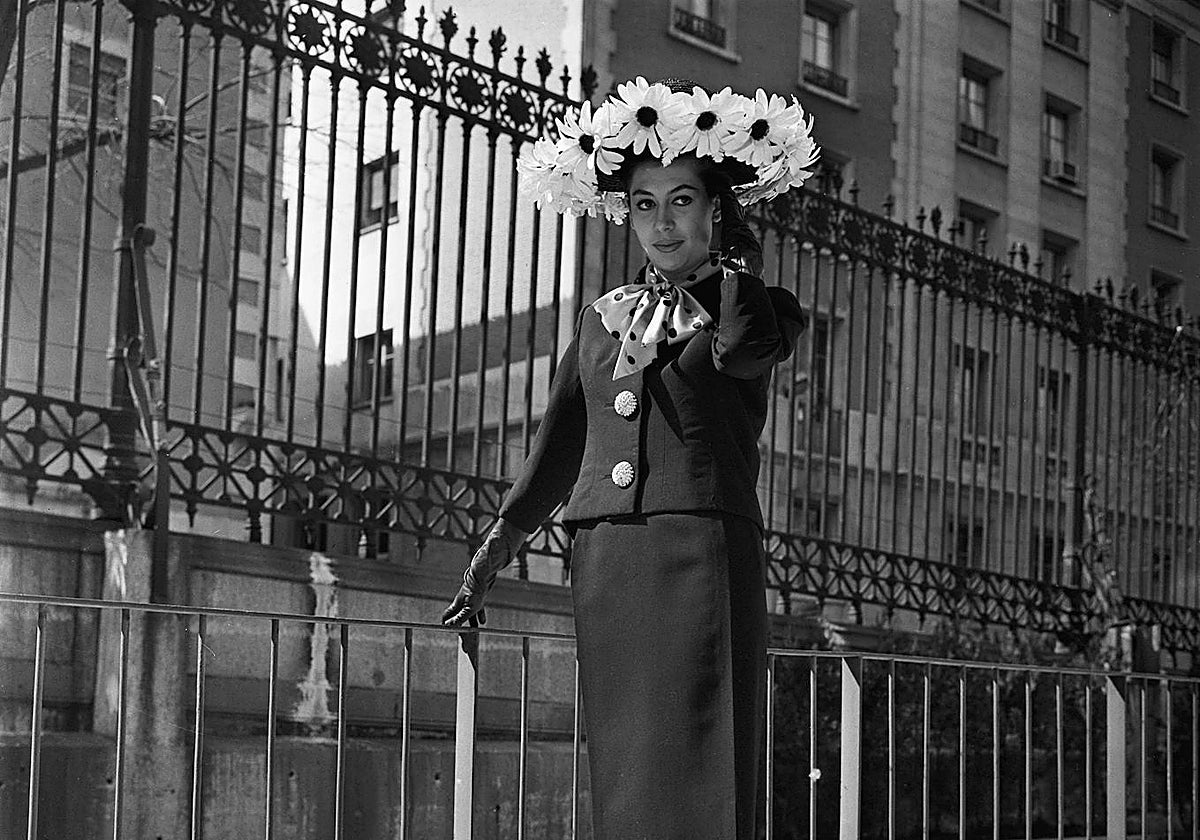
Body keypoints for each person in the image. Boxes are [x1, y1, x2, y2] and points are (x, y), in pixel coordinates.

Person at [442, 77, 818, 840]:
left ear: (717, 209)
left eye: (683, 200)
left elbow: (744, 357)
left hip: (700, 552)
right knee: (627, 769)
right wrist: (495, 548)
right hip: (608, 556)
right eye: (645, 204)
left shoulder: (756, 308)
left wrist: (736, 266)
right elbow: (560, 446)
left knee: (704, 764)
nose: (663, 221)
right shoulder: (602, 316)